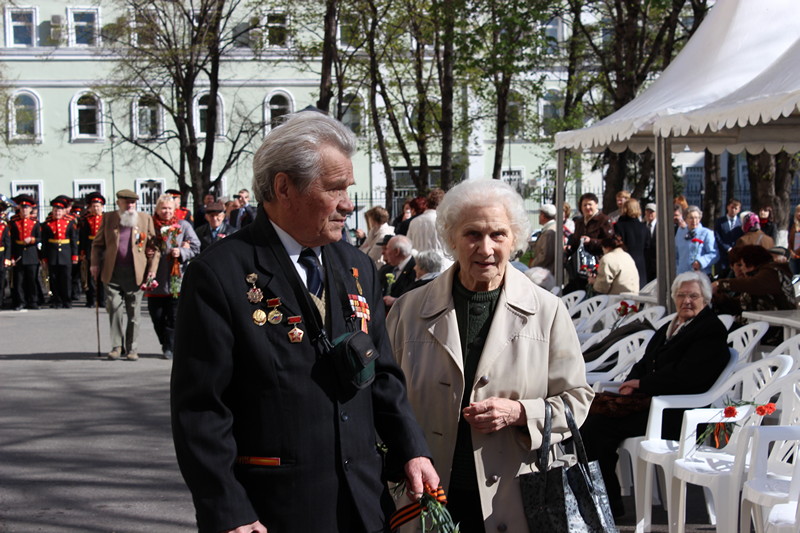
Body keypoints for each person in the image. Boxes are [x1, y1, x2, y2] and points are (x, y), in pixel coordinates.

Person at [170, 111, 438, 533]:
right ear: (284, 188)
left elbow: (382, 374)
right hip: (273, 511)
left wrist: (411, 450)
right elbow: (202, 409)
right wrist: (228, 510)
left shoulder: (357, 267)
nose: (349, 203)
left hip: (362, 504)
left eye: (347, 188)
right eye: (334, 189)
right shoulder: (220, 275)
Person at [386, 179, 593, 532]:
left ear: (514, 241)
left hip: (515, 498)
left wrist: (520, 412)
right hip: (426, 496)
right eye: (472, 234)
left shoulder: (547, 311)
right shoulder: (409, 310)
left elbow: (577, 401)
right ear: (451, 240)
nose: (485, 248)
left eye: (498, 234)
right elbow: (383, 396)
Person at [581, 271, 730, 517]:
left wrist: (643, 384)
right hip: (650, 404)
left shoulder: (710, 330)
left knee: (597, 428)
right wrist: (630, 383)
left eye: (693, 295)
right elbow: (644, 361)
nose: (687, 301)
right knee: (589, 420)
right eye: (681, 295)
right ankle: (600, 498)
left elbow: (687, 376)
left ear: (706, 298)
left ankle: (607, 504)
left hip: (676, 413)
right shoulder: (671, 325)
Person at [90, 189, 159, 361]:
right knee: (114, 308)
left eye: (133, 203)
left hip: (136, 272)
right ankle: (116, 346)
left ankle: (132, 348)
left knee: (134, 312)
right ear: (118, 203)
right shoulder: (109, 218)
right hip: (112, 271)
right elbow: (97, 244)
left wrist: (152, 269)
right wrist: (94, 263)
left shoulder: (144, 219)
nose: (130, 206)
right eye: (126, 203)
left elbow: (154, 247)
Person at [144, 194, 200, 360]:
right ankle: (165, 342)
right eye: (163, 208)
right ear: (157, 210)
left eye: (169, 208)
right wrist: (146, 251)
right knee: (157, 316)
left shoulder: (183, 226)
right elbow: (139, 245)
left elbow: (196, 246)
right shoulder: (151, 226)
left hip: (177, 279)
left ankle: (170, 346)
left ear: (174, 209)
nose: (166, 211)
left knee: (173, 318)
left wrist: (182, 252)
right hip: (156, 279)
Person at [712, 245, 796, 343]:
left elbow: (755, 284)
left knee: (716, 332)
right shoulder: (762, 275)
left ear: (751, 264)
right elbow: (742, 304)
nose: (741, 269)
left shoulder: (772, 272)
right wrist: (720, 298)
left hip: (774, 331)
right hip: (760, 326)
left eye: (742, 264)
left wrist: (720, 284)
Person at [565, 192, 614, 292]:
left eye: (590, 204)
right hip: (580, 266)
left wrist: (591, 241)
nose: (587, 207)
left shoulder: (604, 220)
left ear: (596, 204)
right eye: (584, 205)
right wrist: (569, 247)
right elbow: (576, 240)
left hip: (597, 264)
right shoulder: (579, 222)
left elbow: (610, 242)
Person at [40, 197, 79, 308]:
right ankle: (56, 300)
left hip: (66, 254)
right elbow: (44, 242)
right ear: (52, 211)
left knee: (66, 278)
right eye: (55, 210)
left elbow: (73, 240)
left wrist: (75, 255)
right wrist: (44, 257)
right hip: (52, 254)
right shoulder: (47, 224)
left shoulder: (70, 223)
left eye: (59, 210)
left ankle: (67, 300)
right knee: (54, 278)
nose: (57, 212)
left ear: (63, 211)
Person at [9, 194, 41, 311]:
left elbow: (39, 238)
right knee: (19, 281)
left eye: (27, 208)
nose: (24, 210)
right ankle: (20, 302)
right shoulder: (14, 222)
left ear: (31, 209)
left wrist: (32, 239)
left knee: (32, 280)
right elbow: (11, 241)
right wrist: (12, 256)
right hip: (19, 253)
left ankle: (33, 301)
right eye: (22, 208)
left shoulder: (35, 222)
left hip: (31, 254)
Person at [407, 188, 452, 269]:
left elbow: (408, 244)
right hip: (441, 265)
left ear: (427, 203)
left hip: (420, 264)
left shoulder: (414, 222)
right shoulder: (444, 221)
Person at [613, 198, 649, 288]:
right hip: (641, 263)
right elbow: (647, 247)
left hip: (625, 262)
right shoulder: (643, 227)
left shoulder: (619, 226)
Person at [675, 206, 717, 274]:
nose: (694, 221)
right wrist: (677, 267)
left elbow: (714, 253)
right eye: (691, 218)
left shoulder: (706, 233)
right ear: (685, 219)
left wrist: (701, 262)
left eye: (697, 218)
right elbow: (675, 254)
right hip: (682, 274)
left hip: (699, 274)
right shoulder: (680, 232)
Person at [380, 234, 417, 310]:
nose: (384, 252)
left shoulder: (416, 270)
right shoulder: (386, 269)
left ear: (397, 251)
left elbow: (416, 299)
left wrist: (395, 301)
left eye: (387, 249)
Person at [714, 198, 743, 277]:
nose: (733, 210)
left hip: (737, 256)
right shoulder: (720, 221)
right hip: (723, 255)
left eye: (735, 208)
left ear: (739, 210)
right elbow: (717, 237)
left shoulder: (741, 223)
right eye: (732, 207)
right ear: (728, 207)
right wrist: (727, 248)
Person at [529, 203, 557, 274]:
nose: (539, 216)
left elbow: (545, 255)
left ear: (543, 216)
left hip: (546, 273)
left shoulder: (549, 232)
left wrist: (533, 264)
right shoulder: (551, 228)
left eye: (540, 214)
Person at [643, 202, 658, 282]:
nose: (650, 214)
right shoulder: (642, 226)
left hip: (657, 264)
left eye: (652, 212)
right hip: (646, 264)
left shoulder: (660, 226)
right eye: (648, 212)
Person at [788, 203, 800, 275]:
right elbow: (789, 241)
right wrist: (790, 251)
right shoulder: (793, 226)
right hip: (794, 257)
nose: (799, 213)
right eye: (798, 211)